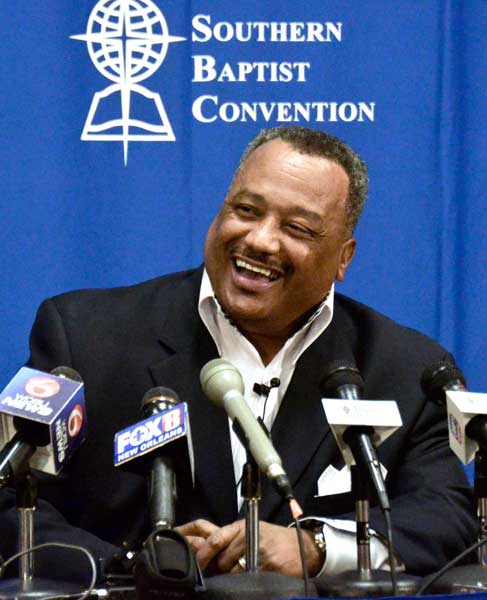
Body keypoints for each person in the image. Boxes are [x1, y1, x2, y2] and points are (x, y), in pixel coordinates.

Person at [0, 126, 476, 584]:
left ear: (343, 257)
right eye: (246, 210)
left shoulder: (405, 369)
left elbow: (447, 518)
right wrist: (132, 567)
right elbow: (9, 502)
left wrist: (316, 548)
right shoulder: (86, 337)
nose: (260, 240)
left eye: (297, 228)